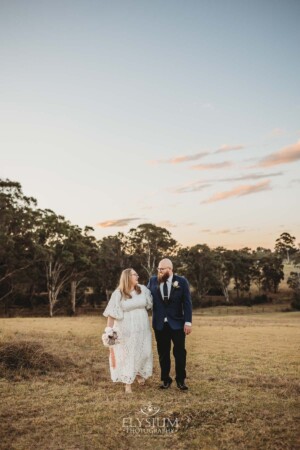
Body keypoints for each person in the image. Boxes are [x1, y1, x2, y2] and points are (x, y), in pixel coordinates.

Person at [103, 268, 153, 394]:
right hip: (126, 329)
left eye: (137, 274)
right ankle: (127, 383)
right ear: (127, 277)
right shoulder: (118, 293)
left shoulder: (143, 290)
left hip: (142, 328)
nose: (137, 276)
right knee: (128, 354)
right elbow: (111, 314)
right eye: (134, 274)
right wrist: (109, 331)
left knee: (144, 352)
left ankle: (138, 373)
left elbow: (151, 305)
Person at [147, 258, 192, 391]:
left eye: (162, 269)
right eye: (158, 269)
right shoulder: (153, 281)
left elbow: (187, 303)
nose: (159, 271)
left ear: (170, 269)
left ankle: (180, 380)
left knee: (180, 353)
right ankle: (165, 379)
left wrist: (188, 322)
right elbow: (145, 297)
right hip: (160, 324)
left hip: (177, 323)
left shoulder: (182, 282)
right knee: (163, 353)